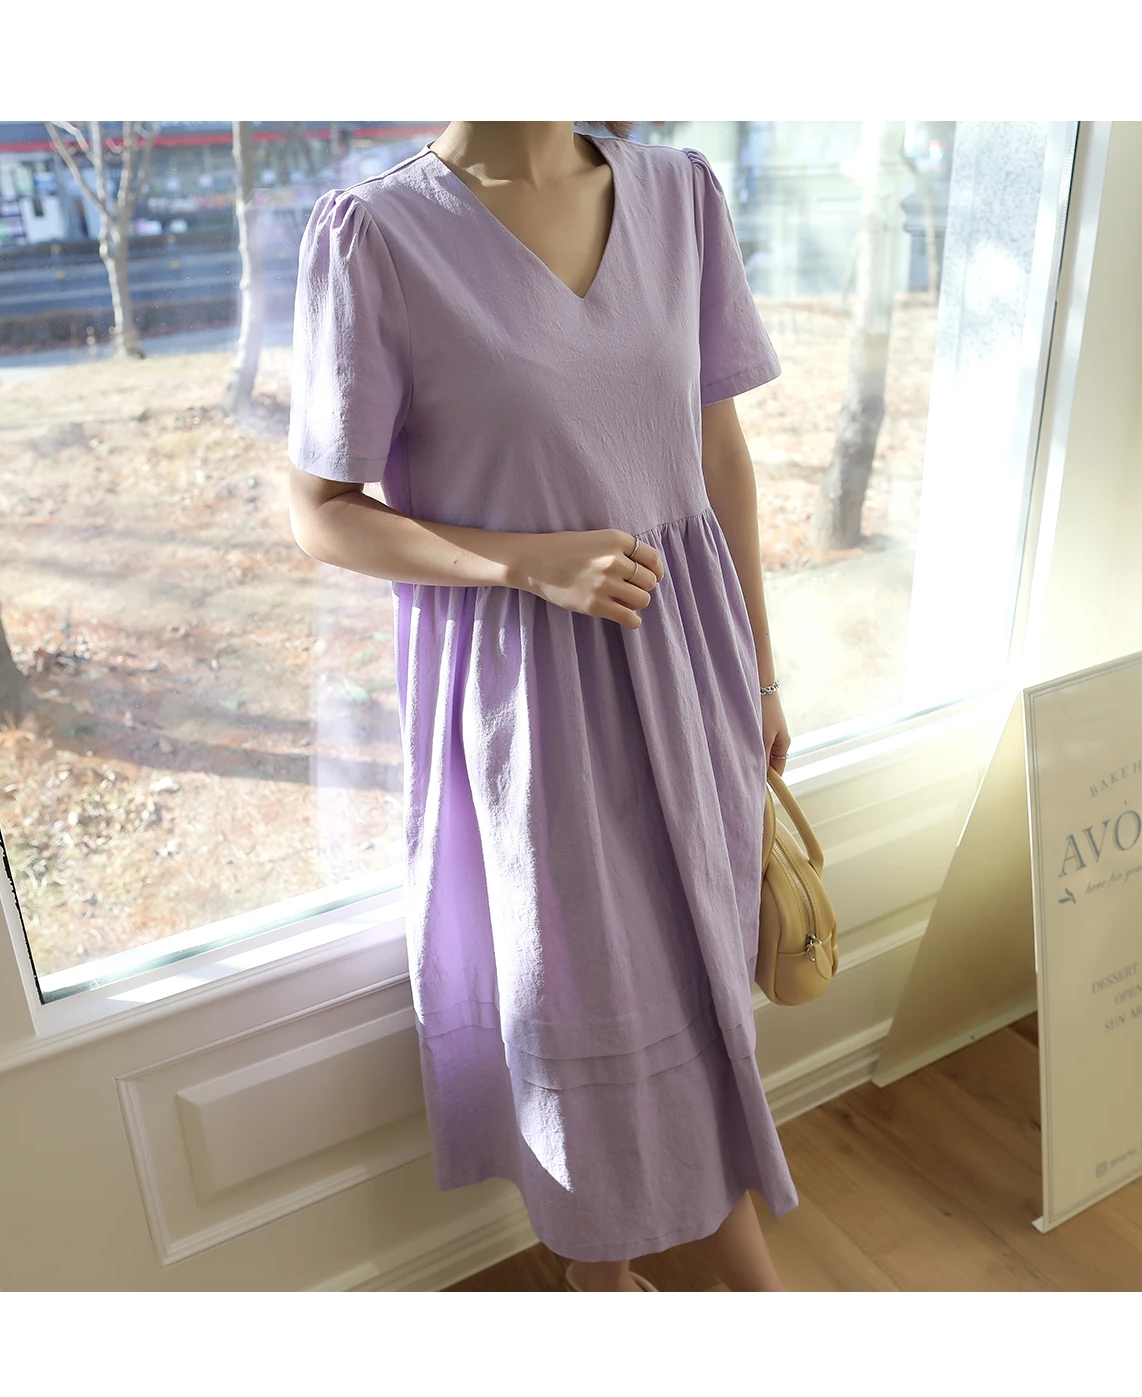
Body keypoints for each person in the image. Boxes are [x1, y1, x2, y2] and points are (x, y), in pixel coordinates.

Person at [286, 120, 797, 1292]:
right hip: (531, 691)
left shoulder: (679, 195)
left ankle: (610, 1285)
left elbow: (719, 448)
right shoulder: (380, 235)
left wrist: (761, 674)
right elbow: (319, 510)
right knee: (581, 993)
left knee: (698, 977)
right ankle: (679, 1283)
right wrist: (523, 561)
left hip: (691, 661)